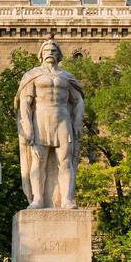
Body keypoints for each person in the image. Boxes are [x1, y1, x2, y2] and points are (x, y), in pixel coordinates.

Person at [15, 39, 85, 209]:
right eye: (46, 50)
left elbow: (79, 101)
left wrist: (77, 122)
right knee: (38, 161)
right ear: (41, 54)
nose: (50, 53)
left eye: (53, 50)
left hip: (62, 120)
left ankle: (67, 199)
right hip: (40, 120)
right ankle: (38, 199)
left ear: (59, 55)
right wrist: (27, 126)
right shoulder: (32, 75)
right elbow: (25, 102)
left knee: (65, 161)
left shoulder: (67, 77)